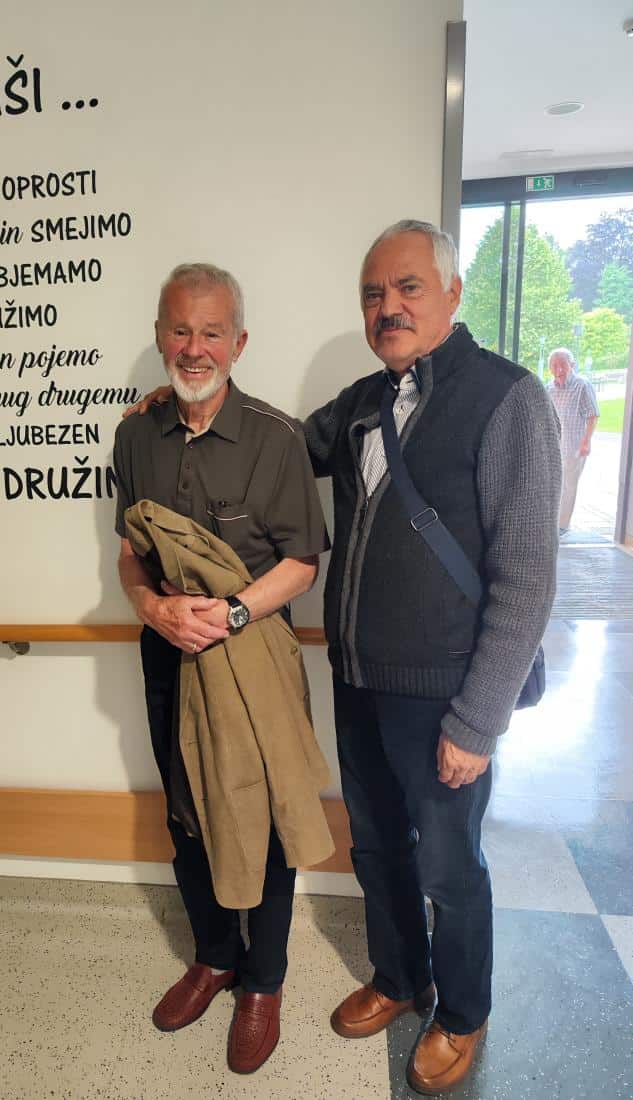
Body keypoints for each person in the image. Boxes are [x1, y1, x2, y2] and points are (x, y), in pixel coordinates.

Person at [304, 220, 561, 1094]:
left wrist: (477, 722)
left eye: (408, 287)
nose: (388, 306)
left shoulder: (505, 397)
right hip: (357, 680)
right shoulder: (361, 401)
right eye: (373, 293)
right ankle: (398, 976)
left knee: (448, 869)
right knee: (376, 847)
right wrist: (194, 399)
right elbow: (281, 445)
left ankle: (461, 1012)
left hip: (445, 696)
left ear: (452, 292)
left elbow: (525, 580)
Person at [113, 263, 330, 1074]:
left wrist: (231, 613)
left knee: (261, 814)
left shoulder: (276, 437)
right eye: (180, 330)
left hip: (249, 653)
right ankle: (213, 958)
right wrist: (153, 608)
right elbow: (130, 554)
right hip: (167, 648)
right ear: (159, 335)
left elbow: (301, 564)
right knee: (185, 811)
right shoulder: (135, 435)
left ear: (239, 342)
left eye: (211, 332)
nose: (194, 348)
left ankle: (263, 982)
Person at [546, 347, 599, 534]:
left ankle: (562, 525)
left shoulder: (582, 385)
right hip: (555, 447)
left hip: (574, 447)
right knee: (554, 484)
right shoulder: (549, 388)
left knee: (569, 486)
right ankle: (552, 521)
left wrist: (586, 441)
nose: (559, 369)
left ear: (572, 365)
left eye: (563, 364)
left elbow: (592, 415)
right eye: (554, 365)